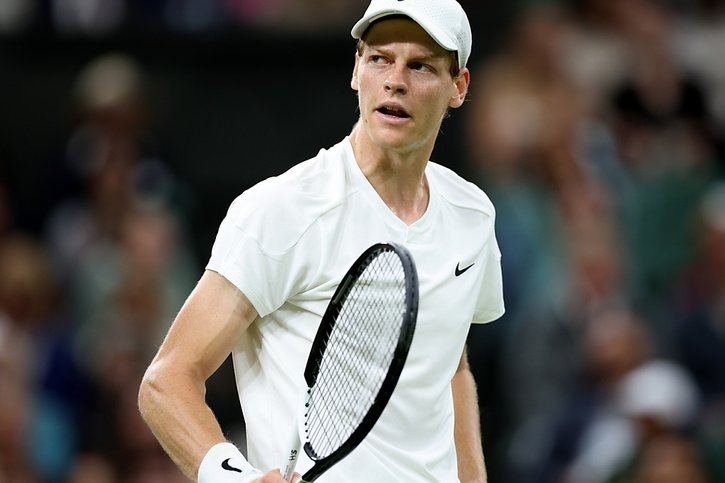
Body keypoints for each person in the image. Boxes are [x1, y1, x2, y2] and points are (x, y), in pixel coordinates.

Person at [138, 0, 505, 482]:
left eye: (420, 66)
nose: (395, 80)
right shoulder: (282, 211)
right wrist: (234, 477)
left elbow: (449, 364)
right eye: (379, 59)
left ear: (458, 87)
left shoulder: (472, 215)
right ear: (356, 69)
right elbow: (166, 381)